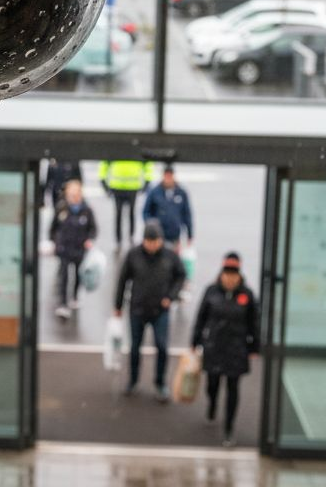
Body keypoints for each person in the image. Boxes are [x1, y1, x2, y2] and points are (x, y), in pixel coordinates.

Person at [191, 252, 260, 447]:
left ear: (239, 275)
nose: (230, 278)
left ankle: (229, 427)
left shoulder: (247, 294)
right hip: (214, 346)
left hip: (236, 349)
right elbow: (201, 317)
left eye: (233, 274)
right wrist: (195, 341)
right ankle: (212, 404)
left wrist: (254, 346)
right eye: (227, 274)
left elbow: (254, 322)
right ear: (221, 274)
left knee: (233, 388)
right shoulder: (211, 291)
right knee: (212, 383)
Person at [114, 220, 186, 401]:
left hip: (160, 310)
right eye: (149, 242)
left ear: (161, 240)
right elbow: (122, 280)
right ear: (144, 240)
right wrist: (118, 306)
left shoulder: (170, 256)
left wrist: (171, 297)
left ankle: (160, 383)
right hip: (137, 309)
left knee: (162, 347)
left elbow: (181, 276)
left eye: (155, 242)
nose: (152, 245)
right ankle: (133, 381)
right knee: (135, 347)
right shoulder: (133, 255)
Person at [48, 179, 96, 319]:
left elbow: (93, 229)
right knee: (63, 276)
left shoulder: (87, 210)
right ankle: (63, 302)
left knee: (77, 275)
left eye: (76, 194)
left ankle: (74, 296)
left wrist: (89, 240)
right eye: (71, 195)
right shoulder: (61, 208)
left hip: (79, 249)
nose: (74, 197)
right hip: (64, 248)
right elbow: (53, 228)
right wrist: (54, 242)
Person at [98, 159, 154, 248]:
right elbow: (105, 161)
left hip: (132, 186)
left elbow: (147, 162)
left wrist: (147, 180)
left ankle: (131, 236)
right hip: (118, 186)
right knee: (119, 214)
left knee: (131, 213)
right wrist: (103, 180)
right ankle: (118, 239)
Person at [142, 166, 193, 249]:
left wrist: (190, 234)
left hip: (174, 234)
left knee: (173, 255)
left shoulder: (181, 193)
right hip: (158, 235)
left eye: (170, 176)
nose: (168, 179)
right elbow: (146, 212)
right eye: (166, 176)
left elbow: (187, 214)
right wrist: (151, 226)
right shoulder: (155, 192)